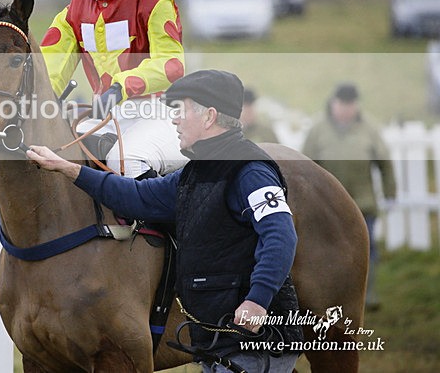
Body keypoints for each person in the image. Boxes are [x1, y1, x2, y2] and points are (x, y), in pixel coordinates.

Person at [27, 70, 302, 372]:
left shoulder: (251, 171)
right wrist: (68, 169)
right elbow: (137, 196)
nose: (174, 120)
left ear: (209, 116)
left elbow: (280, 236)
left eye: (181, 111)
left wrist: (258, 301)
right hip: (220, 343)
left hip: (253, 345)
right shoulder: (193, 173)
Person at [40, 0, 186, 179]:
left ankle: (148, 225)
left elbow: (172, 65)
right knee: (58, 154)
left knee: (126, 161)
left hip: (161, 114)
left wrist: (120, 88)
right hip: (106, 118)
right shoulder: (75, 8)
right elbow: (50, 67)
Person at [301, 82, 396, 310]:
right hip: (326, 208)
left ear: (356, 105)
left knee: (365, 250)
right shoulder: (318, 130)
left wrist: (390, 193)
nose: (346, 109)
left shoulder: (370, 129)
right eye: (342, 104)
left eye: (350, 105)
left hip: (362, 205)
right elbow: (304, 167)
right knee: (325, 253)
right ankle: (327, 298)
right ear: (333, 104)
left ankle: (366, 295)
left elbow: (385, 163)